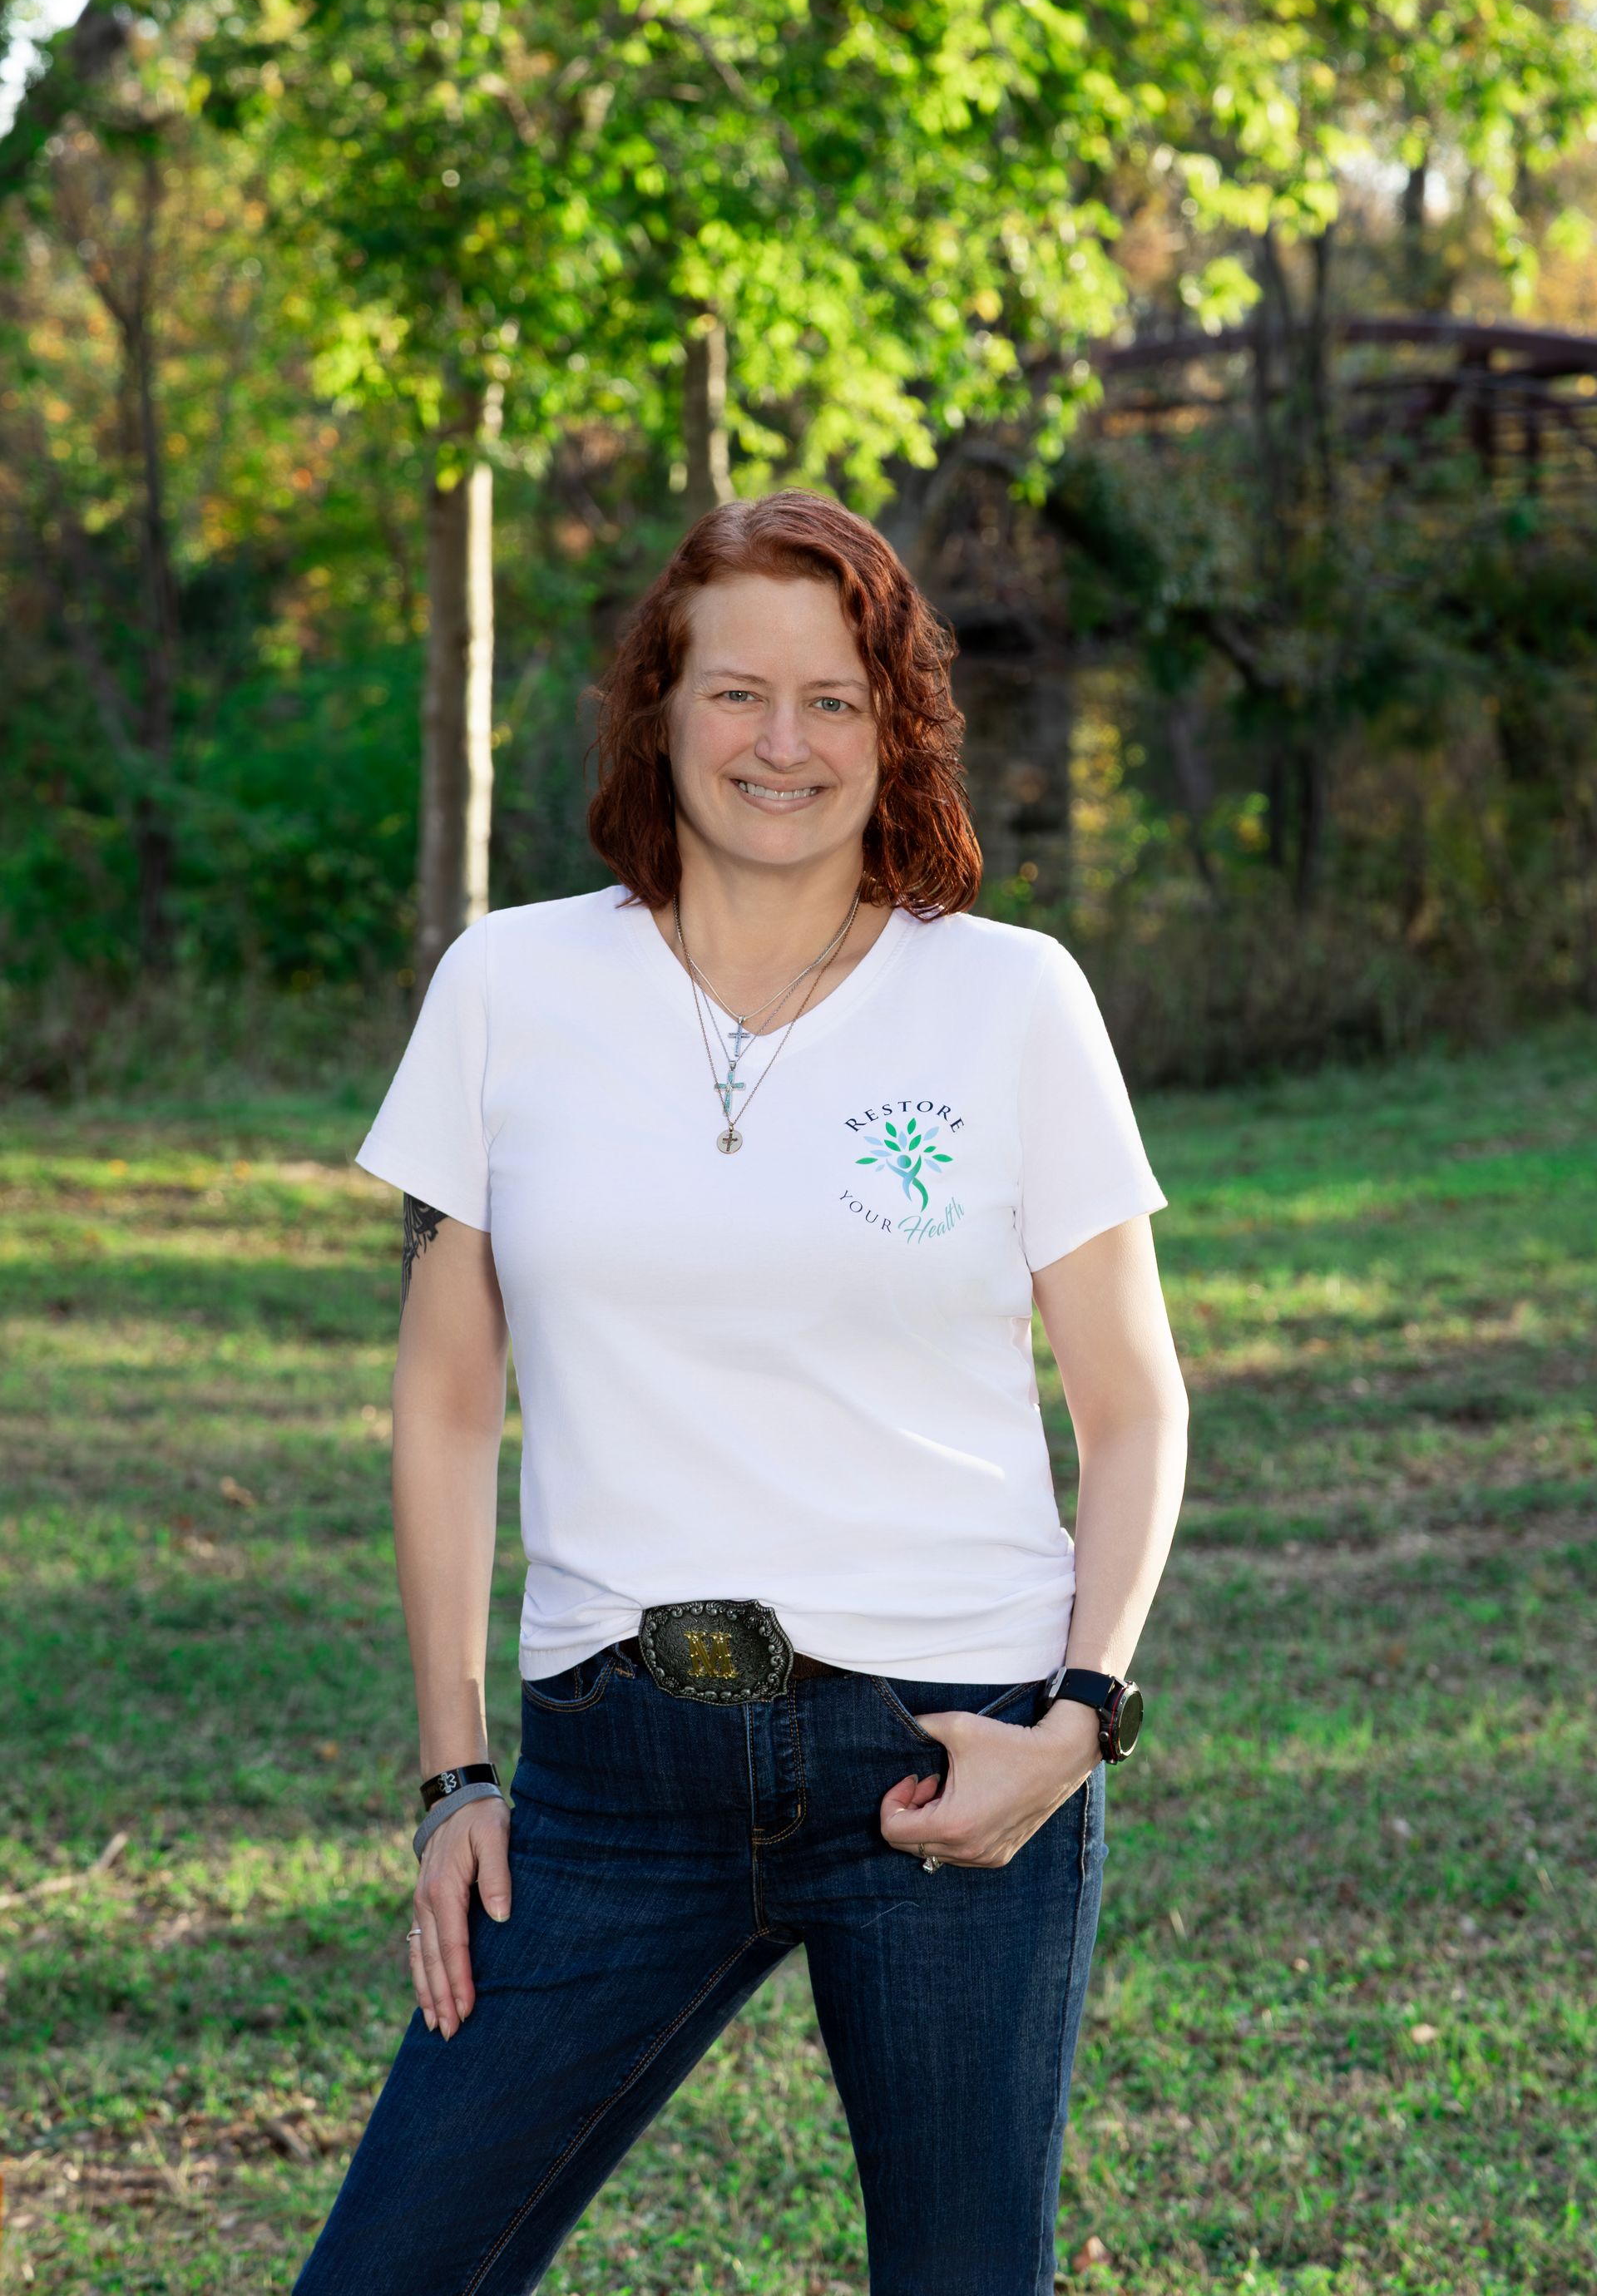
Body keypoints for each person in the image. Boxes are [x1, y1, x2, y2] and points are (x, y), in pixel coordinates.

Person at [294, 488, 1189, 2296]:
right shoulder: (510, 986)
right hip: (611, 1773)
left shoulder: (1010, 1002)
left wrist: (1082, 1718)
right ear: (659, 709)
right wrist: (454, 1771)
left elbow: (1135, 1401)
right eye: (735, 693)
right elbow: (450, 1396)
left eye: (835, 699)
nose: (784, 744)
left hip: (951, 1759)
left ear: (895, 726)